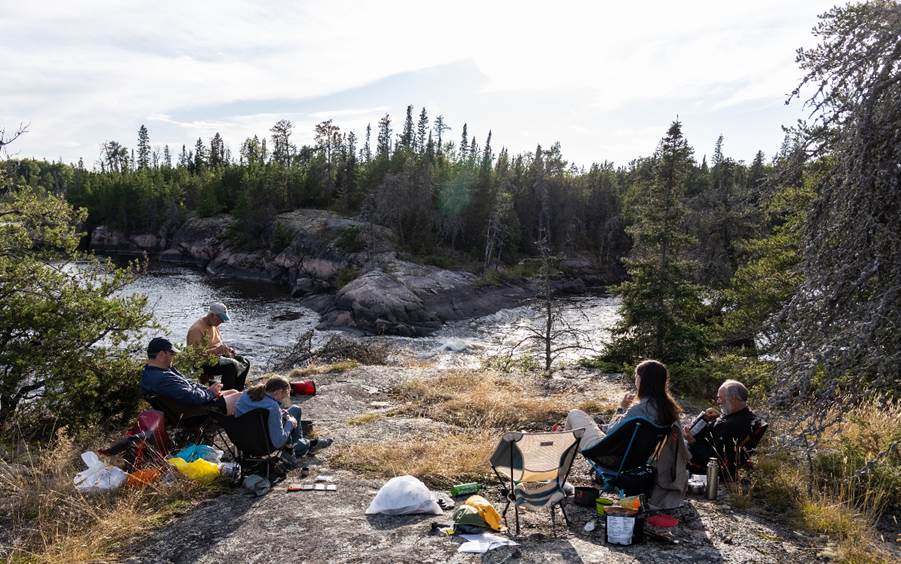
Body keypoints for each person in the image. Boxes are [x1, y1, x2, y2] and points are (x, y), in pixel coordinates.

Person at [565, 359, 682, 450]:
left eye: (636, 376)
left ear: (641, 380)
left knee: (575, 414)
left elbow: (610, 433)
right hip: (637, 459)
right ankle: (562, 471)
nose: (635, 379)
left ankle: (559, 474)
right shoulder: (669, 408)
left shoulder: (638, 409)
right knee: (576, 434)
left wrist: (622, 408)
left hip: (608, 454)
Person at [234, 375, 332, 461]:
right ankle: (307, 445)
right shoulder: (273, 407)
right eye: (284, 396)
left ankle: (298, 443)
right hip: (264, 444)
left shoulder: (247, 394)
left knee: (295, 409)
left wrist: (281, 413)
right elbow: (278, 442)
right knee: (293, 420)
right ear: (279, 391)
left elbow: (258, 411)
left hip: (244, 441)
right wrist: (290, 423)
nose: (283, 399)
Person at [140, 337, 240, 415]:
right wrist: (210, 393)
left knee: (233, 392)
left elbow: (188, 385)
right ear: (161, 355)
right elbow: (192, 397)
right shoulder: (164, 378)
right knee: (240, 397)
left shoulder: (151, 372)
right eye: (172, 353)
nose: (174, 356)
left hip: (186, 408)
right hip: (196, 412)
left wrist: (207, 390)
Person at [683, 379, 757, 478]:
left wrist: (692, 442)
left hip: (706, 467)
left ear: (733, 399)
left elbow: (713, 458)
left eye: (720, 398)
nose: (718, 402)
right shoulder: (745, 416)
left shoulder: (733, 425)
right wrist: (718, 417)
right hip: (704, 449)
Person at [186, 302, 249, 391]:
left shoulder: (214, 325)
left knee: (244, 362)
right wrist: (216, 351)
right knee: (230, 366)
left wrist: (227, 350)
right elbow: (195, 356)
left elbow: (218, 343)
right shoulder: (196, 329)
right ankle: (225, 394)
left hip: (216, 358)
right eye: (220, 319)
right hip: (202, 363)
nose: (221, 322)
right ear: (212, 315)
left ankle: (237, 391)